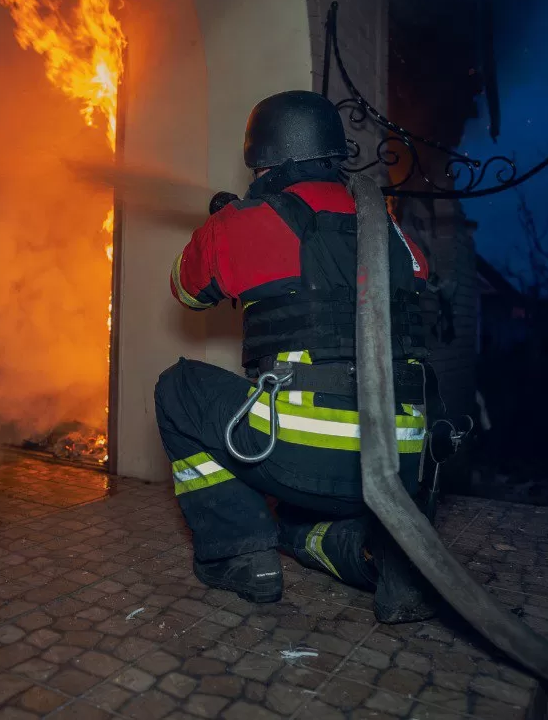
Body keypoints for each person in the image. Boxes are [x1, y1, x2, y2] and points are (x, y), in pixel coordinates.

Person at [154, 90, 443, 623]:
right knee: (296, 520)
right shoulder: (390, 228)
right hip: (399, 467)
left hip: (298, 454)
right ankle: (383, 556)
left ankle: (241, 556)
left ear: (263, 160)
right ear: (334, 156)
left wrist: (220, 225)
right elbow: (416, 283)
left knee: (178, 389)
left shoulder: (246, 221)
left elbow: (186, 290)